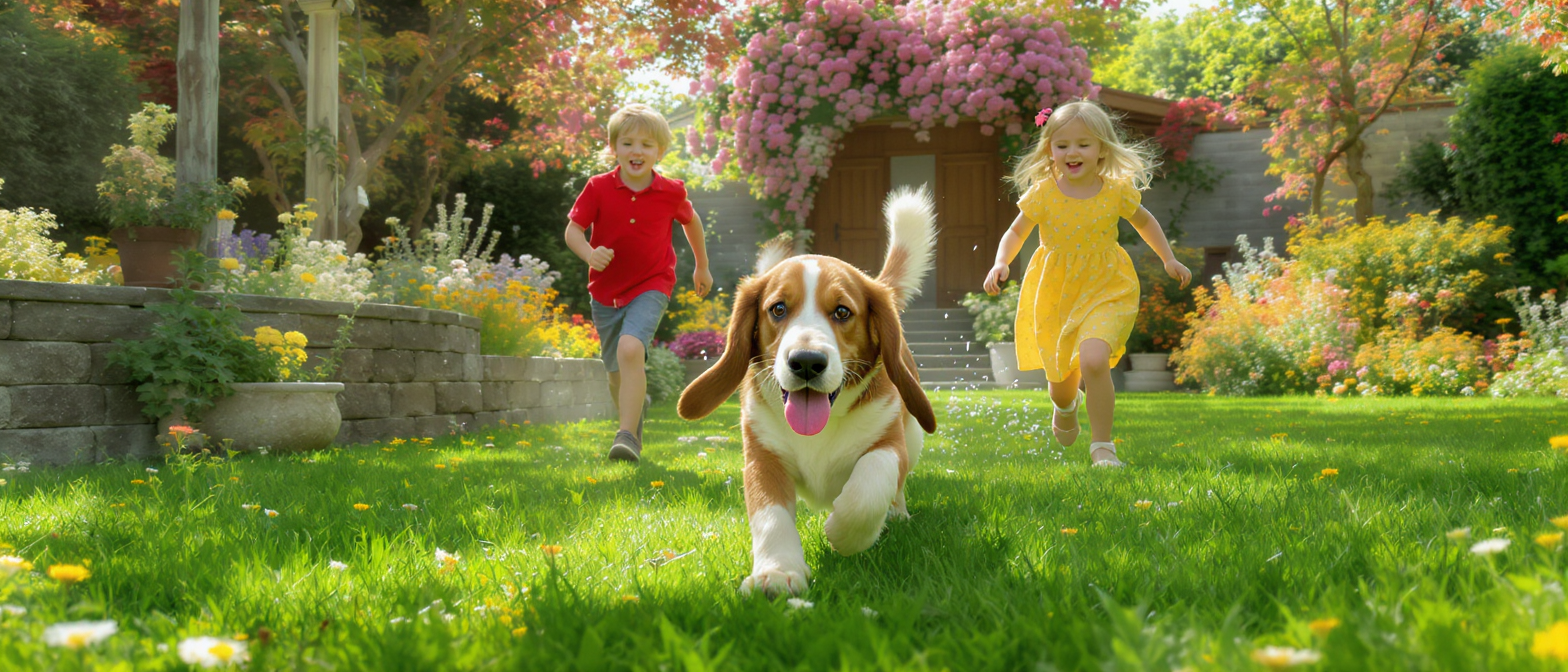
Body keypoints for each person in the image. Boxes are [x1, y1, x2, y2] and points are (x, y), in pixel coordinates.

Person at [983, 100, 1191, 467]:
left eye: (1083, 144)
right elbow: (1015, 232)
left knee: (1094, 360)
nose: (1072, 152)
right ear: (1050, 149)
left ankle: (1102, 448)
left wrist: (1168, 257)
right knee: (1061, 380)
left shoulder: (1115, 191)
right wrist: (1001, 261)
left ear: (1101, 150)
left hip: (1107, 286)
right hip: (1055, 292)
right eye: (1062, 145)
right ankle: (1065, 406)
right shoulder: (1044, 193)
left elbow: (1144, 222)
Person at [564, 103, 712, 462]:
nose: (637, 151)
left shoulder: (671, 192)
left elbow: (691, 222)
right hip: (605, 291)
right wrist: (589, 254)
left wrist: (701, 267)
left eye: (646, 144)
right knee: (616, 372)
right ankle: (632, 416)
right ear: (614, 148)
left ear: (659, 151)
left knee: (630, 349)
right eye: (628, 143)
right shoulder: (598, 188)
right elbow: (573, 230)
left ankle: (626, 436)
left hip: (652, 283)